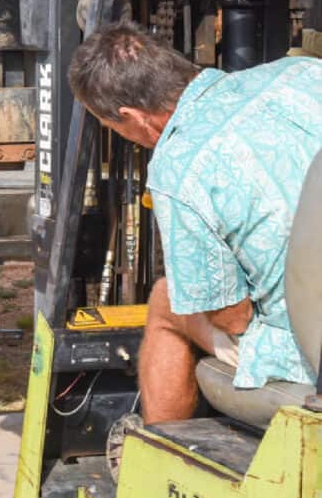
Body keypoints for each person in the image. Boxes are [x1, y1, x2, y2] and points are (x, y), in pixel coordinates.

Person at [68, 22, 322, 425]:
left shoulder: (179, 169)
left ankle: (161, 457)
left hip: (307, 355)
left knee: (167, 301)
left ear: (133, 117)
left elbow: (232, 315)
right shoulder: (303, 75)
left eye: (113, 128)